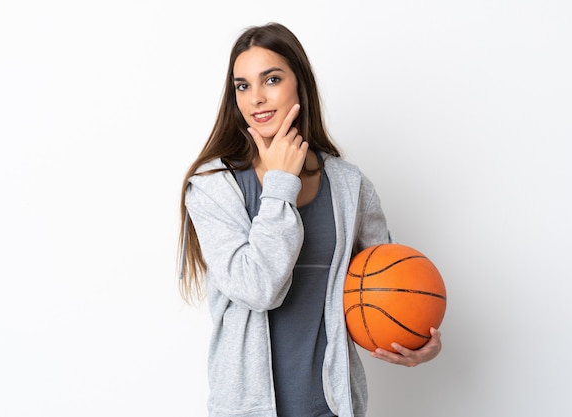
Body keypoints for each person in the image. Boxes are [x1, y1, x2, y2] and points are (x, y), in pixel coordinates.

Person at [178, 22, 442, 417]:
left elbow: (387, 282)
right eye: (243, 85)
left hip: (333, 408)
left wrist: (417, 333)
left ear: (299, 83)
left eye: (271, 79)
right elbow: (257, 288)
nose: (257, 98)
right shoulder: (214, 186)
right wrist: (281, 183)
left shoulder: (349, 185)